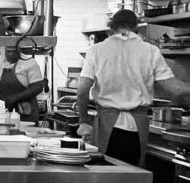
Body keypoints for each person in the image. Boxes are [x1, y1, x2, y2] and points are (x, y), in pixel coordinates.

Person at [77, 9, 190, 167]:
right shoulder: (151, 51)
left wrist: (84, 120)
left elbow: (82, 90)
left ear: (111, 30)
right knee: (133, 179)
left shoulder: (96, 50)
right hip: (137, 128)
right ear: (136, 29)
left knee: (104, 177)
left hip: (107, 125)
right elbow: (176, 88)